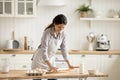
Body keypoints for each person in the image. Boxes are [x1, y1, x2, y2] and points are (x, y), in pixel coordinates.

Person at [31, 14, 79, 80]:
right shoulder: (47, 32)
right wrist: (50, 66)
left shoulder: (63, 34)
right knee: (37, 78)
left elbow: (64, 49)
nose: (61, 29)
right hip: (40, 60)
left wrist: (69, 64)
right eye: (59, 27)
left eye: (63, 27)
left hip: (50, 59)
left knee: (53, 78)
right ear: (54, 24)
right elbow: (43, 49)